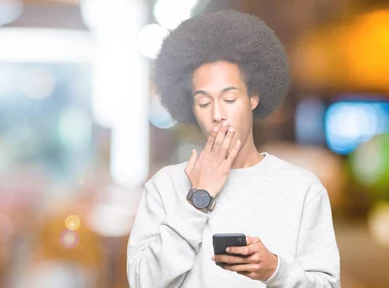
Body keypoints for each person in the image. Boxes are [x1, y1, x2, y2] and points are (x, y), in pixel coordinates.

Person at [126, 10, 340, 288]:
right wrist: (199, 198)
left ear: (253, 96)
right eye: (204, 103)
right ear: (191, 107)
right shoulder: (165, 187)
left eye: (229, 98)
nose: (217, 113)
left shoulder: (302, 189)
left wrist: (275, 270)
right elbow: (143, 282)